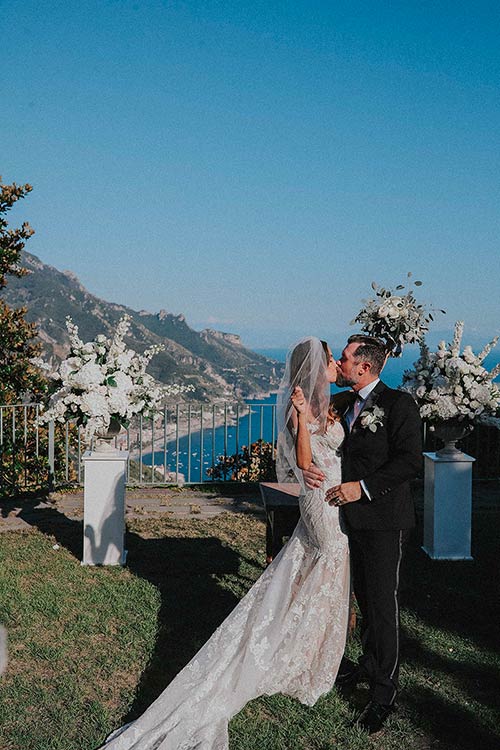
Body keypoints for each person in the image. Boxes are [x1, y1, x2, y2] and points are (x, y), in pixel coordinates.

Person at [97, 337, 350, 750]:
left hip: (338, 495)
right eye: (331, 359)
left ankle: (306, 645)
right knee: (327, 560)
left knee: (314, 568)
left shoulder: (331, 400)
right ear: (316, 366)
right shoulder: (299, 405)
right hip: (320, 498)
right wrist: (304, 417)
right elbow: (305, 463)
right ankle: (303, 654)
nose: (337, 363)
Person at [303, 334, 422, 735]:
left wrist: (361, 488)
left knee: (383, 607)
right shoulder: (342, 404)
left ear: (364, 367)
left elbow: (409, 462)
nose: (340, 364)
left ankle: (384, 694)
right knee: (365, 601)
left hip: (385, 521)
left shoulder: (399, 405)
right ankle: (367, 665)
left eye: (346, 357)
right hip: (346, 522)